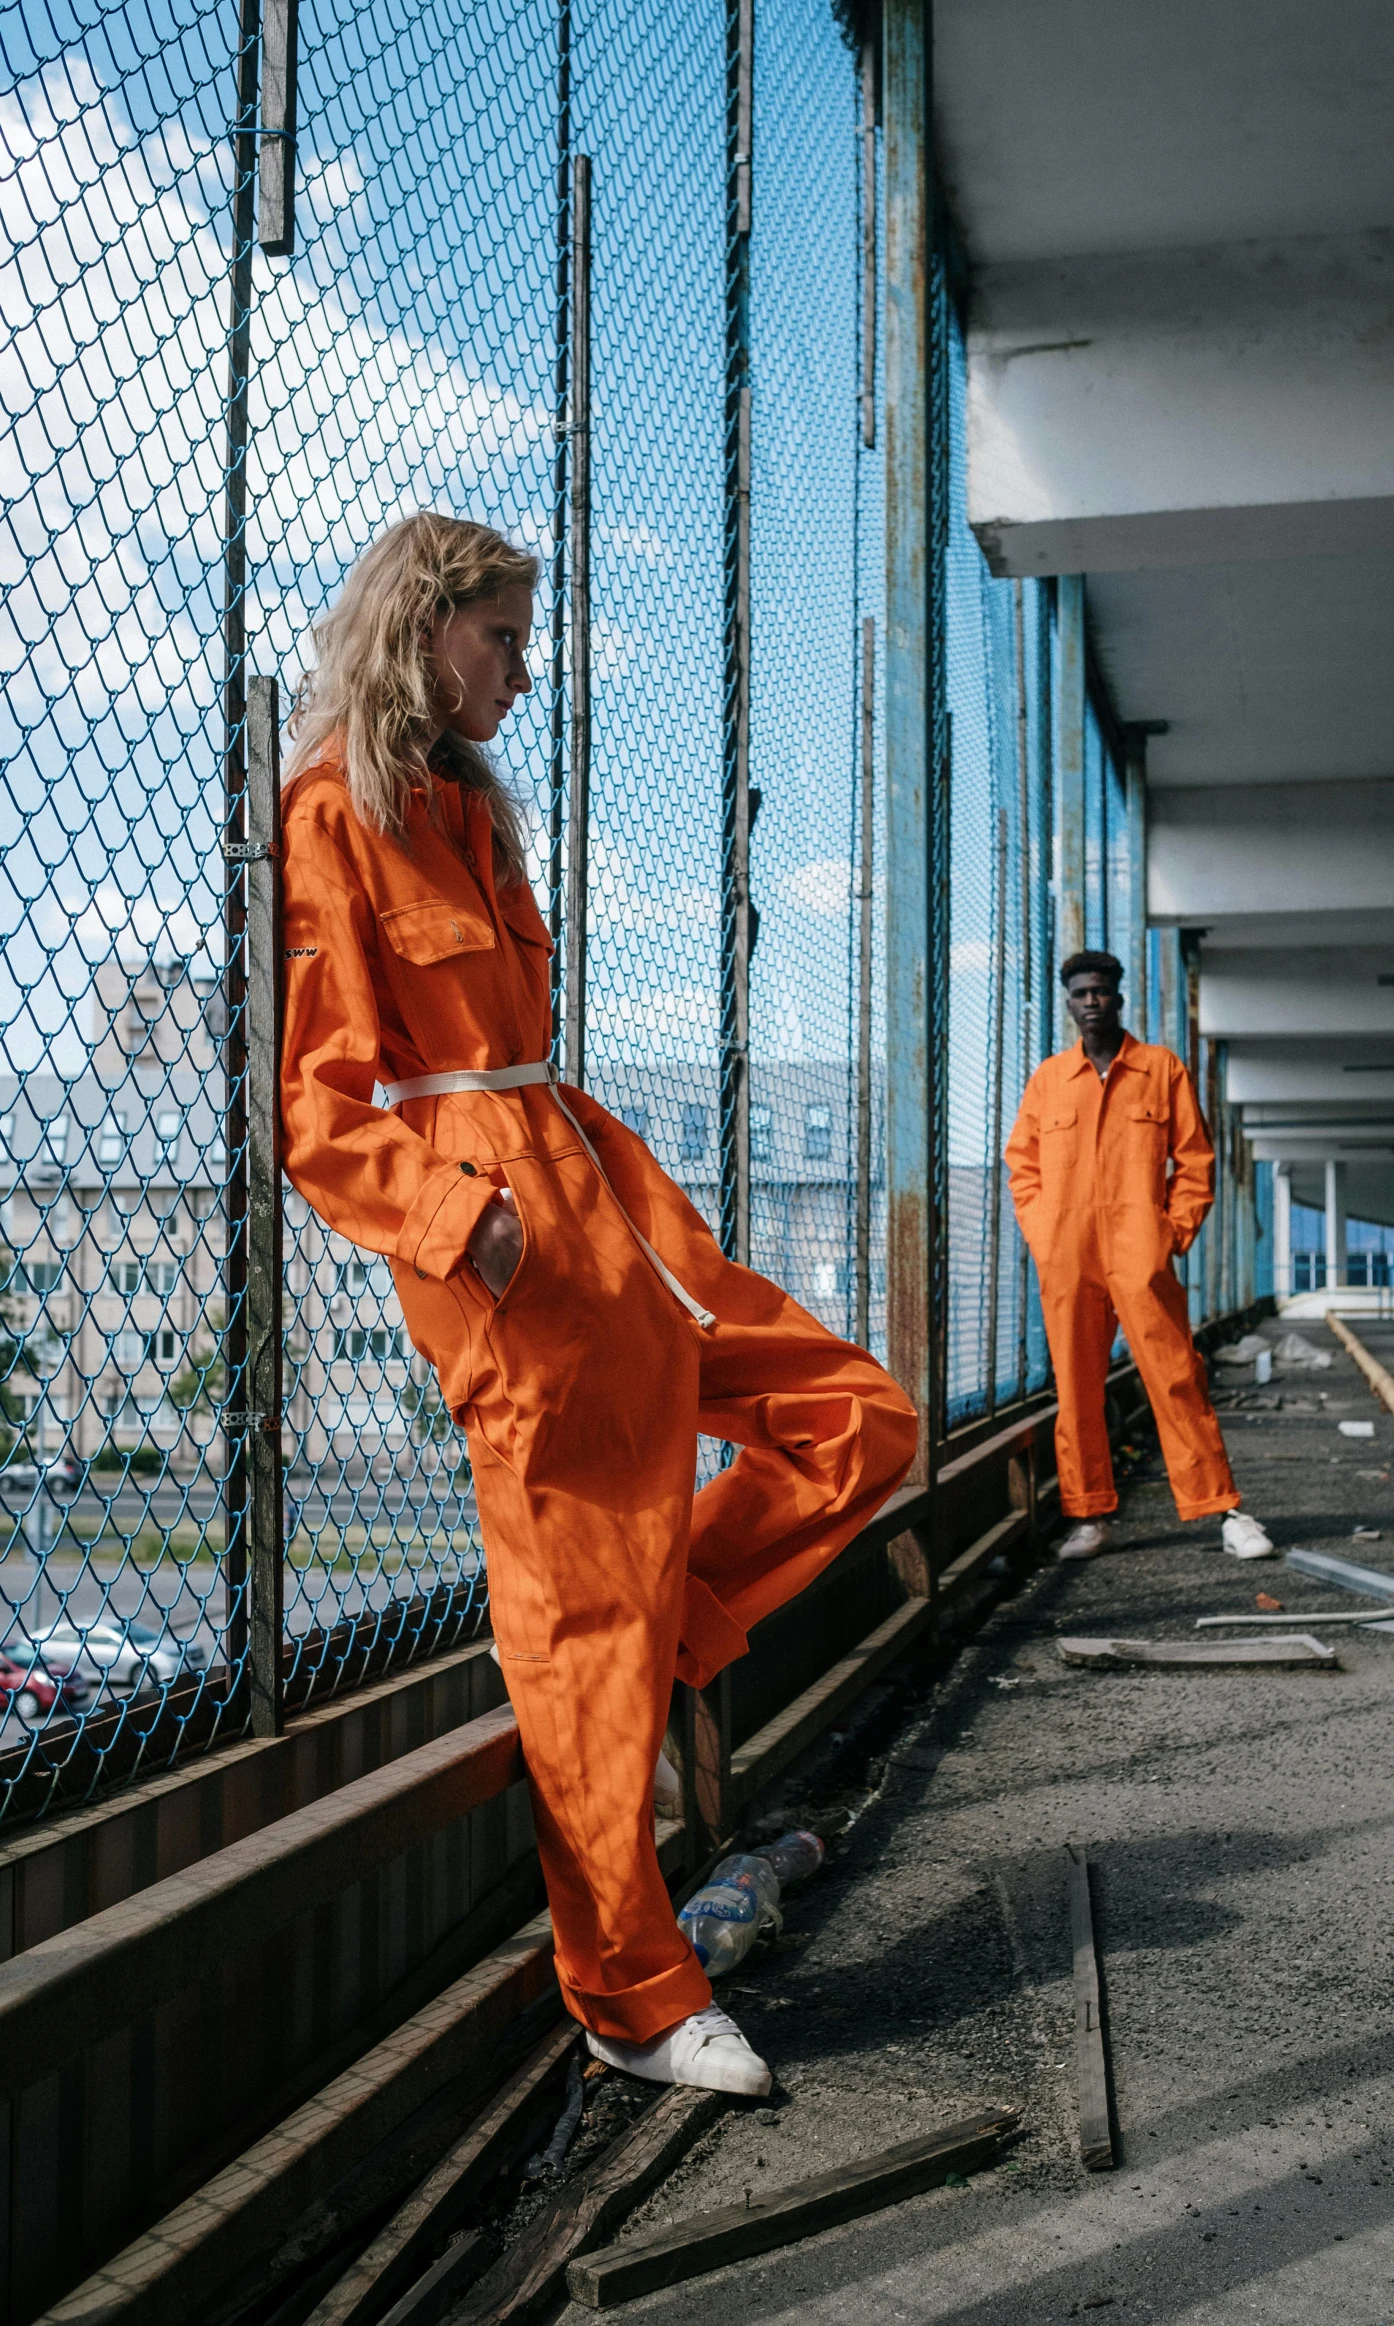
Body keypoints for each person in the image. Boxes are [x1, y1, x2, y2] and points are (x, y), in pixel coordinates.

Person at [277, 514, 917, 2096]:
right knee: (574, 1633)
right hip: (499, 1247)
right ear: (423, 628)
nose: (522, 662)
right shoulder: (330, 811)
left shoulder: (469, 808)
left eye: (524, 632)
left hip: (601, 1198)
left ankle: (675, 1622)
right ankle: (627, 1991)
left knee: (860, 1418)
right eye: (500, 633)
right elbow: (312, 1105)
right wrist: (452, 1217)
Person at [1005, 950, 1273, 1563]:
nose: (1091, 1001)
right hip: (1068, 1258)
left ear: (1118, 998)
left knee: (1176, 1378)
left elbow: (1196, 1161)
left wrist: (1168, 1235)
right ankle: (1090, 1516)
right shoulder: (1049, 1079)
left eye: (1100, 991)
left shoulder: (1161, 1070)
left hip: (1140, 1253)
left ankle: (1223, 1509)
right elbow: (1022, 1164)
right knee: (1076, 1390)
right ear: (1068, 1003)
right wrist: (1045, 1233)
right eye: (1080, 993)